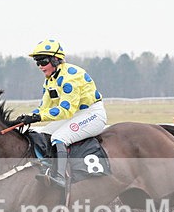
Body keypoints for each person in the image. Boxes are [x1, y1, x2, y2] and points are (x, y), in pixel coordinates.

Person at [14, 39, 107, 188]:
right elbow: (44, 107)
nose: (40, 66)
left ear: (56, 60)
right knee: (44, 134)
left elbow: (65, 110)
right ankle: (46, 168)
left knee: (59, 137)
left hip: (92, 115)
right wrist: (27, 118)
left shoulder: (71, 77)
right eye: (37, 62)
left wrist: (38, 117)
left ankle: (60, 177)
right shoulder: (50, 80)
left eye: (43, 61)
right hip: (76, 115)